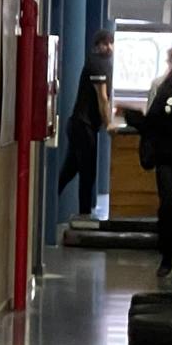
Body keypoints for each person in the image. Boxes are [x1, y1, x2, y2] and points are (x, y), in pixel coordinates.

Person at [123, 51, 172, 278]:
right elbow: (152, 122)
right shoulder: (165, 90)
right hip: (167, 159)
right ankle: (166, 255)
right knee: (169, 206)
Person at [58, 29, 114, 218]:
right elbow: (102, 98)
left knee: (70, 170)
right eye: (104, 44)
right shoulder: (98, 64)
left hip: (80, 125)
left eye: (111, 43)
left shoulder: (102, 63)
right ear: (97, 46)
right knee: (87, 173)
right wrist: (108, 124)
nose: (109, 47)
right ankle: (84, 215)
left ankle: (52, 199)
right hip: (83, 126)